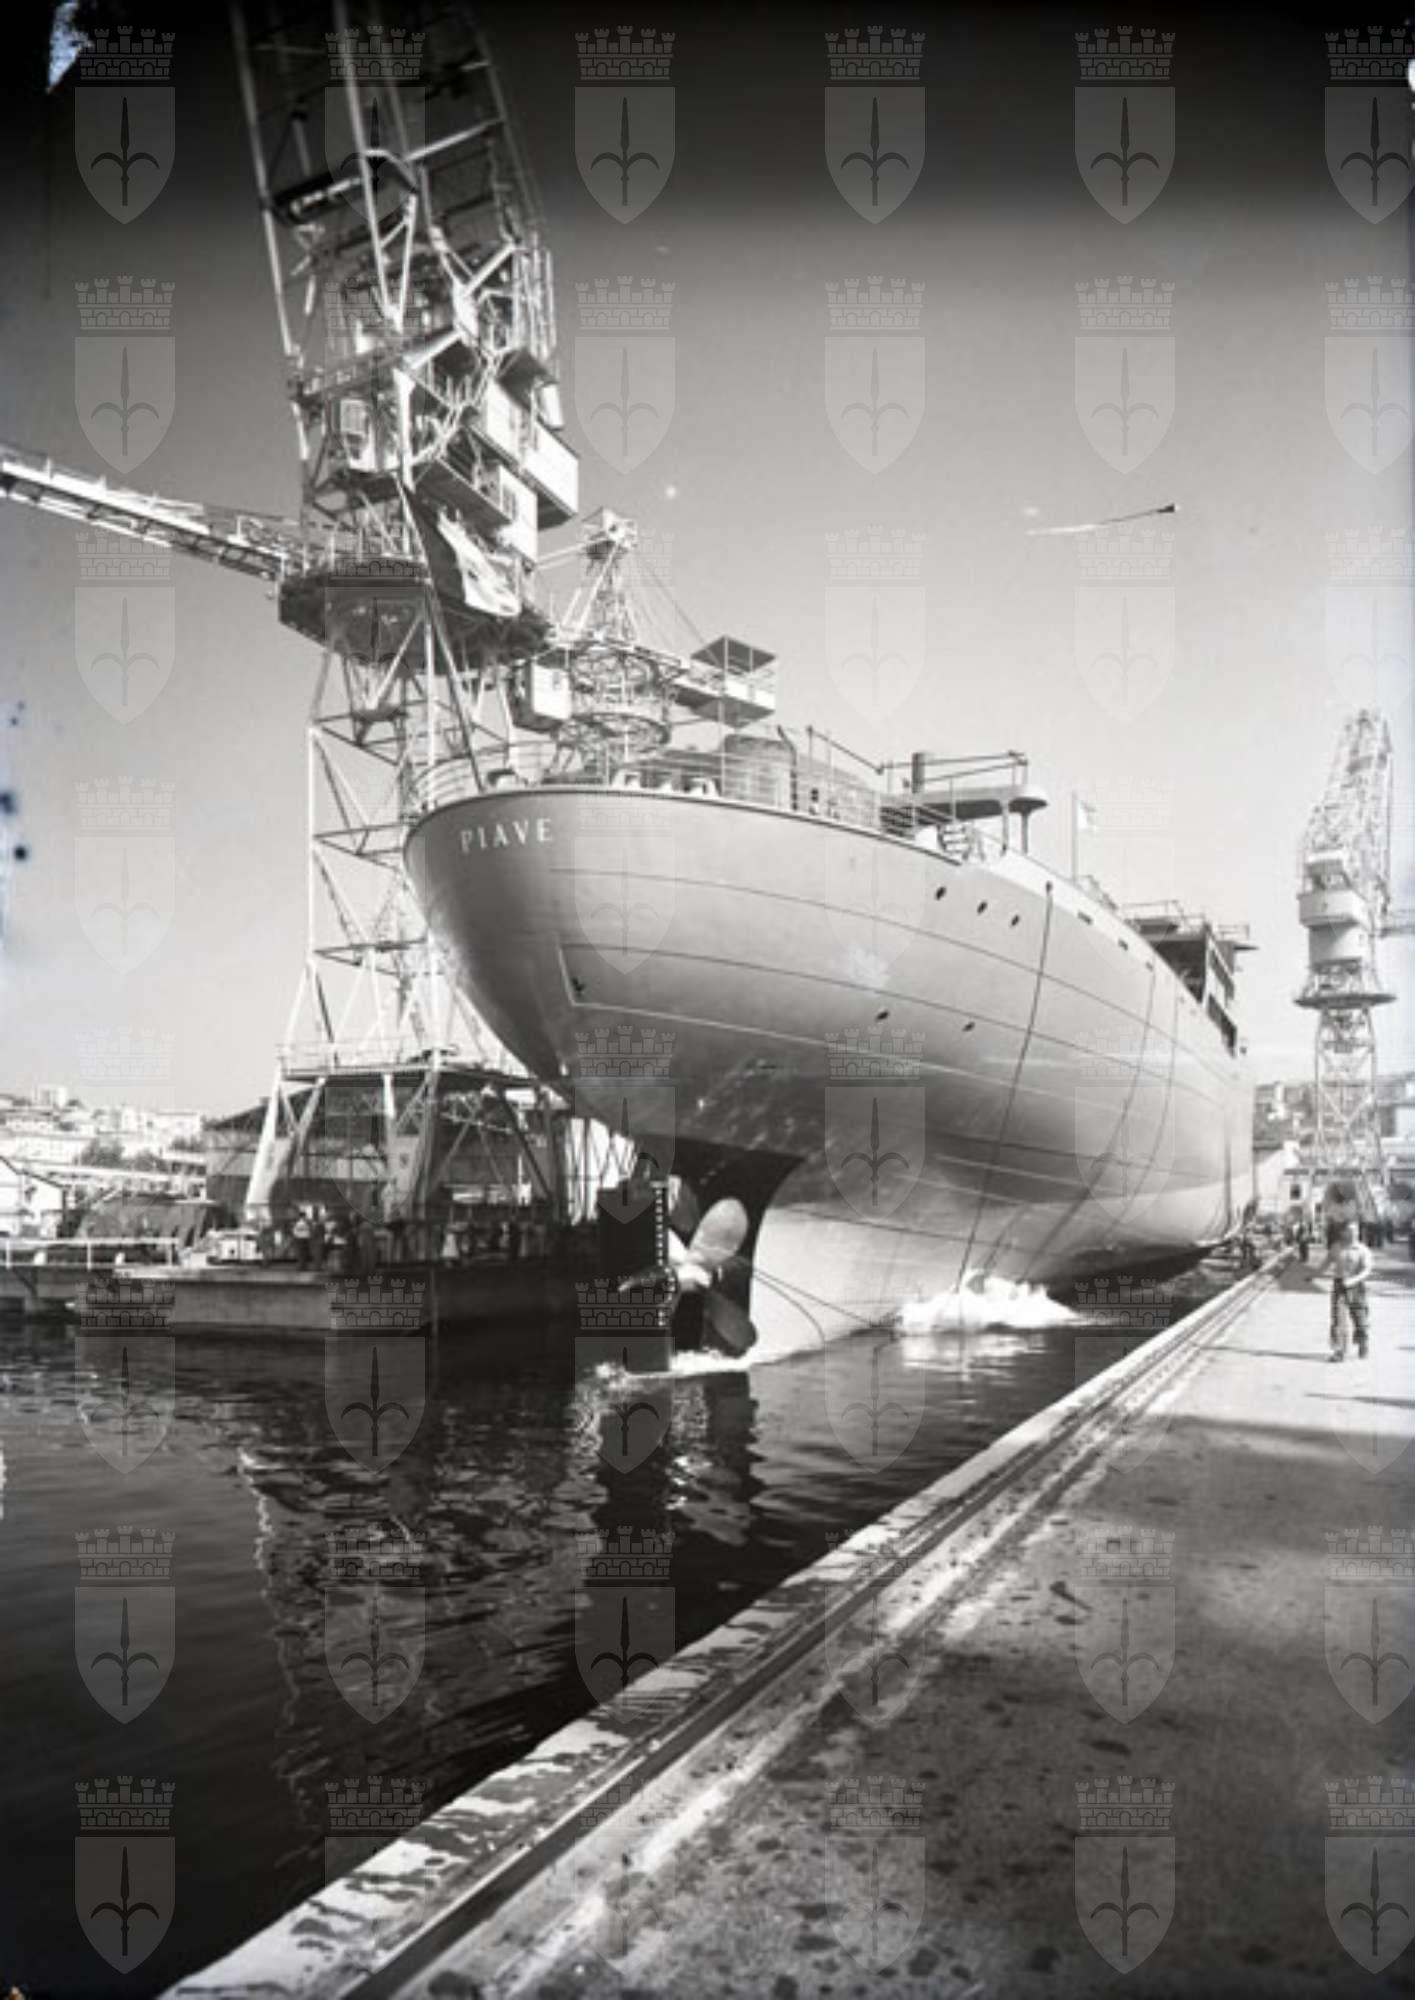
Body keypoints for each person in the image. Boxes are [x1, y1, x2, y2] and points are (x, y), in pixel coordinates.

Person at [1324, 1219, 1375, 1363]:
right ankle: (1340, 1351)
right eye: (1350, 1230)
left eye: (1355, 1230)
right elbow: (1325, 1264)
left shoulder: (1363, 1250)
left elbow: (1367, 1270)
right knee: (1338, 1319)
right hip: (1339, 1286)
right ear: (1343, 1232)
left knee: (1360, 1319)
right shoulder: (1336, 1248)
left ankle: (1363, 1343)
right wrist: (1312, 1275)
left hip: (1357, 1286)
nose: (1353, 1233)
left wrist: (1353, 1280)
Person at [291, 1206, 312, 1271]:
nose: (306, 1217)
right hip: (304, 1240)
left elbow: (295, 1232)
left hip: (300, 1240)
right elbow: (309, 1231)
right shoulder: (305, 1223)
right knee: (303, 1254)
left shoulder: (298, 1223)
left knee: (301, 1254)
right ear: (303, 1216)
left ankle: (301, 1267)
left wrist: (298, 1235)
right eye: (305, 1216)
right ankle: (303, 1267)